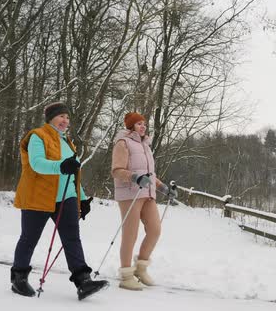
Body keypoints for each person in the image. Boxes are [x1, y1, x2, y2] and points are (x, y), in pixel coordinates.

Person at [10, 102, 108, 300]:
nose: (65, 121)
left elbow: (72, 174)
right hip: (38, 196)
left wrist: (81, 198)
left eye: (67, 117)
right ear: (51, 118)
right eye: (61, 116)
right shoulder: (37, 136)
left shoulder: (67, 143)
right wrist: (62, 166)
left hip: (66, 197)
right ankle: (18, 279)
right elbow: (37, 164)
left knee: (72, 238)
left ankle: (83, 282)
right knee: (29, 238)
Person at [110, 112, 177, 290]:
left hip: (148, 194)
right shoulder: (122, 143)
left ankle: (141, 268)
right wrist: (135, 177)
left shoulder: (145, 145)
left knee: (155, 230)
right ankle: (126, 275)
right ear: (131, 126)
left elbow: (150, 174)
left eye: (144, 124)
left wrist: (163, 188)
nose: (143, 126)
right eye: (139, 124)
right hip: (129, 194)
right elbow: (117, 171)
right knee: (130, 234)